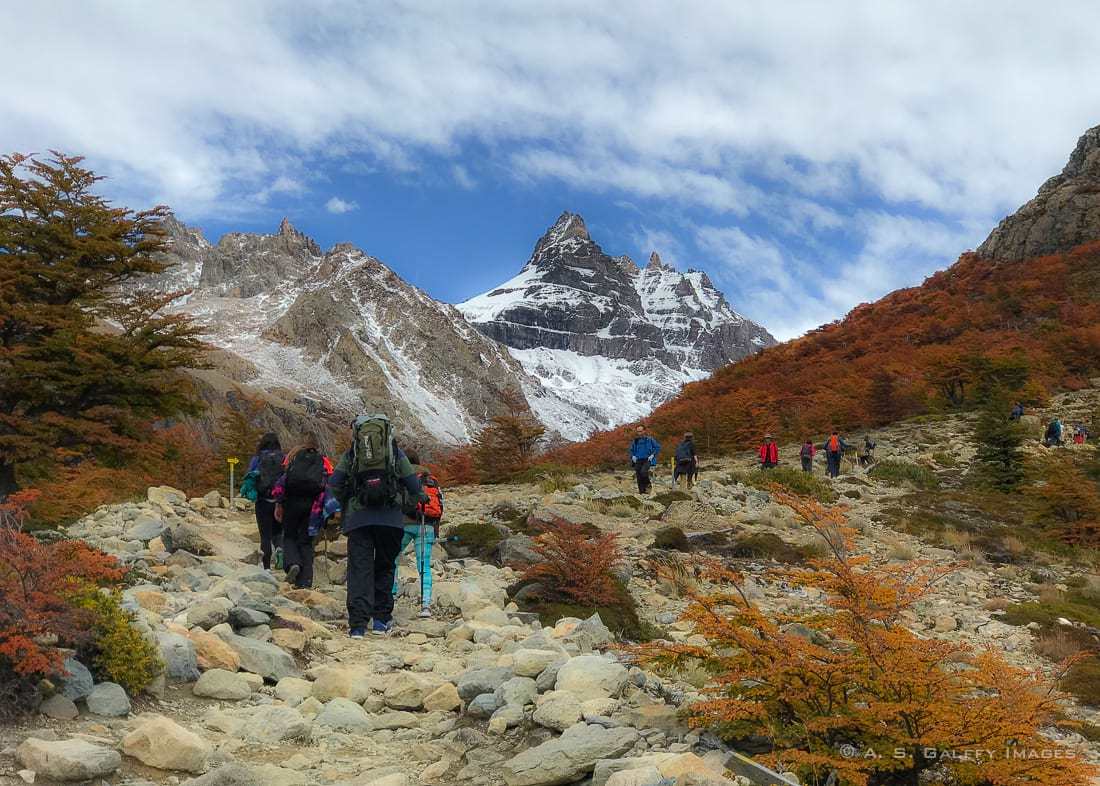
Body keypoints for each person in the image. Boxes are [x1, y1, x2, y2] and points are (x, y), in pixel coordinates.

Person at [330, 414, 427, 638]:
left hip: (359, 520)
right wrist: (414, 501)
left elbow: (334, 483)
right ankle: (381, 621)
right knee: (385, 567)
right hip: (390, 520)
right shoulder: (394, 454)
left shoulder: (353, 453)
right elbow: (413, 484)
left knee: (359, 569)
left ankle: (357, 625)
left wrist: (342, 504)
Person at [273, 434, 332, 589]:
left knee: (290, 537)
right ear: (317, 446)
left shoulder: (293, 457)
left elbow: (282, 482)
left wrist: (279, 503)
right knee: (306, 542)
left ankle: (293, 563)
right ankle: (305, 581)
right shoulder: (323, 461)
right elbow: (329, 484)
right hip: (313, 507)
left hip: (291, 503)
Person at [391, 449, 443, 618]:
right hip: (426, 525)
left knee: (392, 559)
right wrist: (436, 530)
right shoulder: (431, 479)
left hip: (403, 524)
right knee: (424, 566)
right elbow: (439, 506)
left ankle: (390, 597)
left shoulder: (401, 475)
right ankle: (425, 605)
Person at [246, 433, 285, 571]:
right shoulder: (283, 458)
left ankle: (267, 567)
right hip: (279, 501)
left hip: (263, 501)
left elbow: (250, 475)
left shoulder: (257, 458)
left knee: (265, 536)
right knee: (278, 532)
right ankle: (280, 548)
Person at [629, 424, 660, 495]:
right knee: (638, 475)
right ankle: (642, 492)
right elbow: (631, 450)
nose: (639, 433)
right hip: (638, 460)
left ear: (644, 431)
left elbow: (657, 447)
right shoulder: (635, 441)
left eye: (641, 431)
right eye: (638, 431)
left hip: (648, 459)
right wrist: (633, 456)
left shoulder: (650, 439)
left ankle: (648, 486)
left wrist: (653, 455)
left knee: (643, 472)